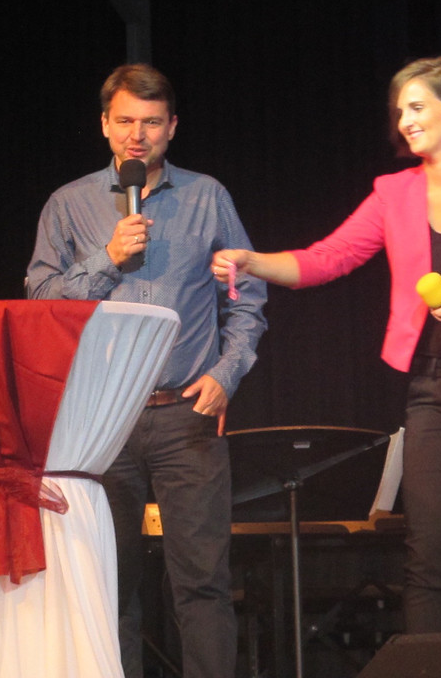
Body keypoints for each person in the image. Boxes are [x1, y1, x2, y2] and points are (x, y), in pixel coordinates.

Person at [211, 55, 441, 656]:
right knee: (425, 558)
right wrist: (253, 261)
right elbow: (326, 259)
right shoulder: (394, 193)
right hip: (434, 392)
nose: (405, 121)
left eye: (417, 107)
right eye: (399, 111)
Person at [26, 64, 268, 678]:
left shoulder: (207, 197)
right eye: (126, 121)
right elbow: (39, 304)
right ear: (105, 125)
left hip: (187, 413)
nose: (138, 135)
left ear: (172, 127)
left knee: (203, 583)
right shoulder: (69, 204)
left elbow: (247, 297)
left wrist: (227, 372)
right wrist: (107, 258)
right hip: (102, 420)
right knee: (110, 584)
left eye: (152, 122)